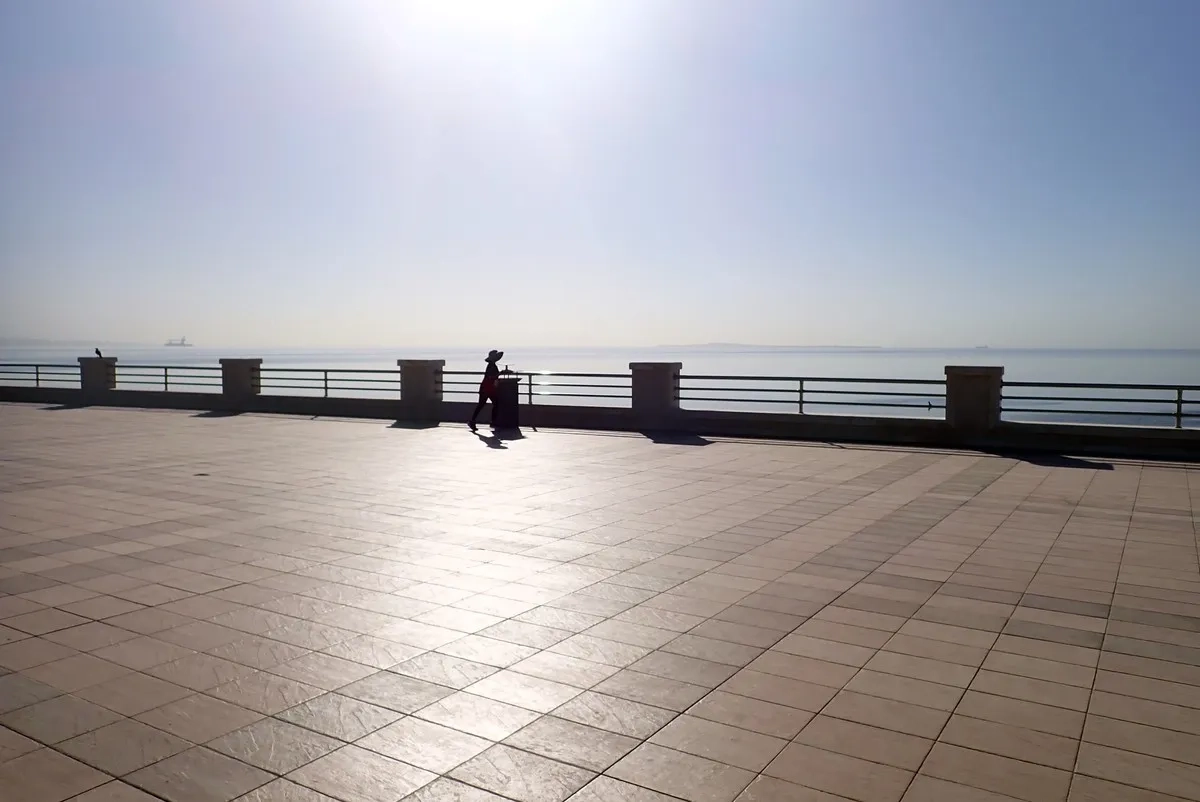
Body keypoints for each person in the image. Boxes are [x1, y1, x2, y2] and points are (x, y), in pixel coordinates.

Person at [468, 350, 504, 430]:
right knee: (488, 404)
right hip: (486, 388)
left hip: (488, 388)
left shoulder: (492, 365)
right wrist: (499, 374)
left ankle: (491, 421)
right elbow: (490, 376)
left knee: (491, 404)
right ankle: (490, 421)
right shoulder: (491, 366)